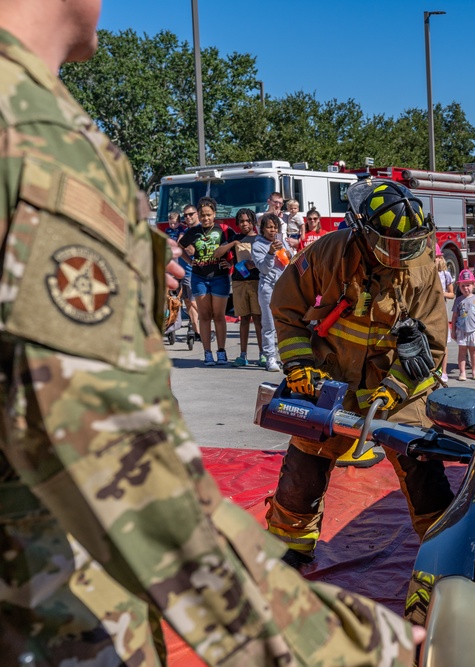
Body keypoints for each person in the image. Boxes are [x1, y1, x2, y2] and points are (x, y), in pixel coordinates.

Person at [0, 2, 421, 664]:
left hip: (384, 398)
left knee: (421, 470)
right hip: (40, 602)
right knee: (303, 474)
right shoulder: (36, 140)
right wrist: (355, 648)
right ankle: (296, 543)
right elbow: (125, 472)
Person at [265, 179, 454, 567]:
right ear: (364, 234)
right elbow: (285, 305)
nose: (401, 255)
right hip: (332, 377)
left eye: (409, 246)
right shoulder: (328, 253)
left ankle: (444, 554)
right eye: (392, 246)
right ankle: (290, 545)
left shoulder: (421, 269)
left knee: (422, 467)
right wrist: (300, 365)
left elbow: (433, 340)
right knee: (305, 463)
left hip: (398, 382)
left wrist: (395, 388)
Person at [179, 196, 236, 365]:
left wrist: (231, 262)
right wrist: (190, 262)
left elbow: (237, 245)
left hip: (220, 278)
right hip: (199, 278)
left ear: (214, 214)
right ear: (198, 215)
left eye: (209, 215)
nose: (205, 218)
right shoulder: (193, 231)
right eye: (202, 215)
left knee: (219, 316)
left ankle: (221, 351)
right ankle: (207, 353)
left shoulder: (224, 230)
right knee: (204, 316)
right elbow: (179, 247)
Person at [213, 207, 262, 366]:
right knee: (244, 319)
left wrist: (253, 265)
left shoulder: (259, 239)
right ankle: (243, 354)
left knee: (258, 318)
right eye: (241, 221)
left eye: (248, 221)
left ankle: (263, 353)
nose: (245, 224)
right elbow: (217, 253)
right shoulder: (236, 238)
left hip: (256, 282)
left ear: (253, 222)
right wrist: (233, 242)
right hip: (239, 282)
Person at [252, 212, 292, 371]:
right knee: (269, 326)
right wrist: (270, 253)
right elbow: (263, 268)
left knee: (286, 324)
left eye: (275, 227)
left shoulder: (281, 241)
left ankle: (287, 356)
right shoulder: (257, 245)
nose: (272, 230)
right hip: (268, 288)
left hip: (285, 288)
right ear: (262, 229)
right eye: (269, 227)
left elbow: (289, 263)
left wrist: (289, 254)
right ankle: (270, 358)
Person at [452, 268, 475, 381]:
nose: (466, 288)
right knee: (462, 351)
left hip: (474, 330)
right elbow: (454, 317)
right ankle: (462, 372)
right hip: (461, 330)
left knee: (473, 351)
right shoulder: (458, 301)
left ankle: (474, 371)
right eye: (463, 286)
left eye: (468, 285)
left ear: (473, 285)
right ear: (459, 287)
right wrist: (453, 331)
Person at [179, 203, 202, 342]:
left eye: (190, 214)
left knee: (195, 302)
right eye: (185, 215)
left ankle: (202, 325)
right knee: (188, 301)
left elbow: (192, 250)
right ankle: (196, 330)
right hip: (185, 271)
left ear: (197, 214)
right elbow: (179, 247)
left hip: (197, 272)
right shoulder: (187, 231)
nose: (187, 217)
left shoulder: (199, 230)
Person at [436, 246, 454, 383]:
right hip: (429, 309)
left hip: (442, 310)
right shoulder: (427, 273)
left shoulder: (445, 274)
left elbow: (452, 294)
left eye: (437, 257)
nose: (435, 260)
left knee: (444, 342)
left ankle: (444, 370)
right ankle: (434, 369)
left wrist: (441, 293)